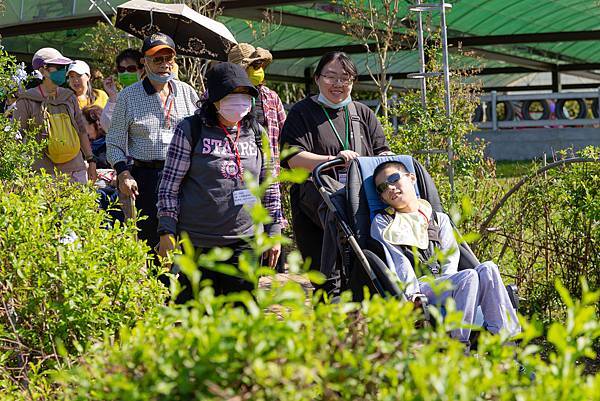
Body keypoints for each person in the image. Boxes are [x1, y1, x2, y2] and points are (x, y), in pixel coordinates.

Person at [157, 62, 284, 301]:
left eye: (244, 95)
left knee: (241, 317)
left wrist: (274, 230)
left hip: (244, 242)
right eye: (231, 95)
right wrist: (166, 231)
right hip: (196, 243)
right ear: (214, 100)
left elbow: (270, 186)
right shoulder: (191, 129)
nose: (239, 102)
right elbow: (169, 186)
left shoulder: (257, 133)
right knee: (195, 317)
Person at [370, 160, 521, 345]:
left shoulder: (438, 218)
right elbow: (398, 261)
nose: (390, 188)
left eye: (394, 179)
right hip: (422, 287)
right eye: (383, 188)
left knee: (488, 268)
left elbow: (451, 256)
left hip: (447, 281)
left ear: (411, 178)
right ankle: (459, 346)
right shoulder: (384, 223)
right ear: (383, 198)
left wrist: (453, 285)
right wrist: (412, 295)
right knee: (468, 277)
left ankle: (508, 343)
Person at [280, 51, 392, 271]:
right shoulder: (302, 112)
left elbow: (383, 152)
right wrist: (333, 160)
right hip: (318, 210)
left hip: (360, 208)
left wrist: (385, 161)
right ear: (317, 78)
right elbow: (292, 158)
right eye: (331, 76)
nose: (338, 84)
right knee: (327, 278)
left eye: (345, 78)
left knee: (363, 276)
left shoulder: (362, 113)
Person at [106, 33, 199, 253]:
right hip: (147, 179)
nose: (164, 64)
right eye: (157, 59)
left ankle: (181, 287)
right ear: (144, 62)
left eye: (169, 58)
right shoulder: (128, 96)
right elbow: (114, 142)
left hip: (183, 177)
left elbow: (201, 132)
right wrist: (123, 173)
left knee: (184, 241)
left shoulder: (186, 92)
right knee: (149, 242)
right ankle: (155, 287)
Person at [228, 43, 287, 266]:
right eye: (253, 66)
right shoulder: (219, 97)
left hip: (266, 177)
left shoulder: (271, 97)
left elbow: (285, 132)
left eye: (260, 65)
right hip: (235, 180)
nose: (258, 70)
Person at [13, 47, 96, 184]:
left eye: (64, 67)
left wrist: (91, 160)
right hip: (43, 173)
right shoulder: (26, 100)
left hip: (76, 170)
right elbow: (17, 135)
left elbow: (81, 130)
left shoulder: (69, 97)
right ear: (42, 71)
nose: (62, 71)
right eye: (57, 67)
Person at [100, 48, 144, 132]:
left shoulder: (149, 94)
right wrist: (112, 97)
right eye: (122, 69)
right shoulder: (117, 97)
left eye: (131, 69)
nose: (126, 73)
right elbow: (107, 126)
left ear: (142, 70)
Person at [81, 105, 109, 169]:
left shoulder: (111, 143)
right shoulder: (81, 144)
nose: (80, 129)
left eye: (83, 125)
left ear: (97, 123)